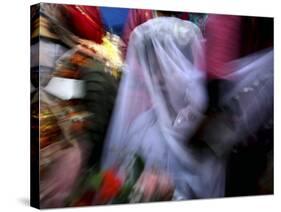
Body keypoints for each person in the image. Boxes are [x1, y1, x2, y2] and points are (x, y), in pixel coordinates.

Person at [101, 17, 227, 200]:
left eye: (165, 69)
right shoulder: (142, 126)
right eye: (153, 69)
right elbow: (122, 181)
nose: (157, 80)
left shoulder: (205, 129)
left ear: (188, 67)